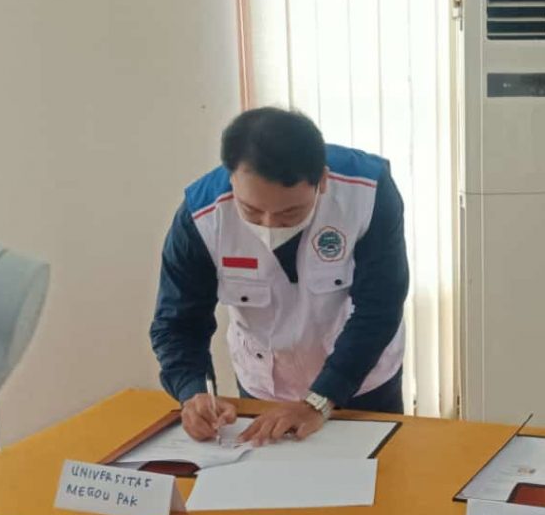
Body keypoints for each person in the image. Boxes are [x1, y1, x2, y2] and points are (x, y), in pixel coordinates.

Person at [151, 107, 408, 445]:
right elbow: (177, 322)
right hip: (263, 385)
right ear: (231, 179)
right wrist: (193, 392)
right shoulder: (200, 217)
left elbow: (380, 308)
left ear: (323, 181)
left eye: (290, 212)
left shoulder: (368, 194)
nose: (269, 226)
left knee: (377, 486)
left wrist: (319, 400)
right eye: (252, 210)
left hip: (361, 381)